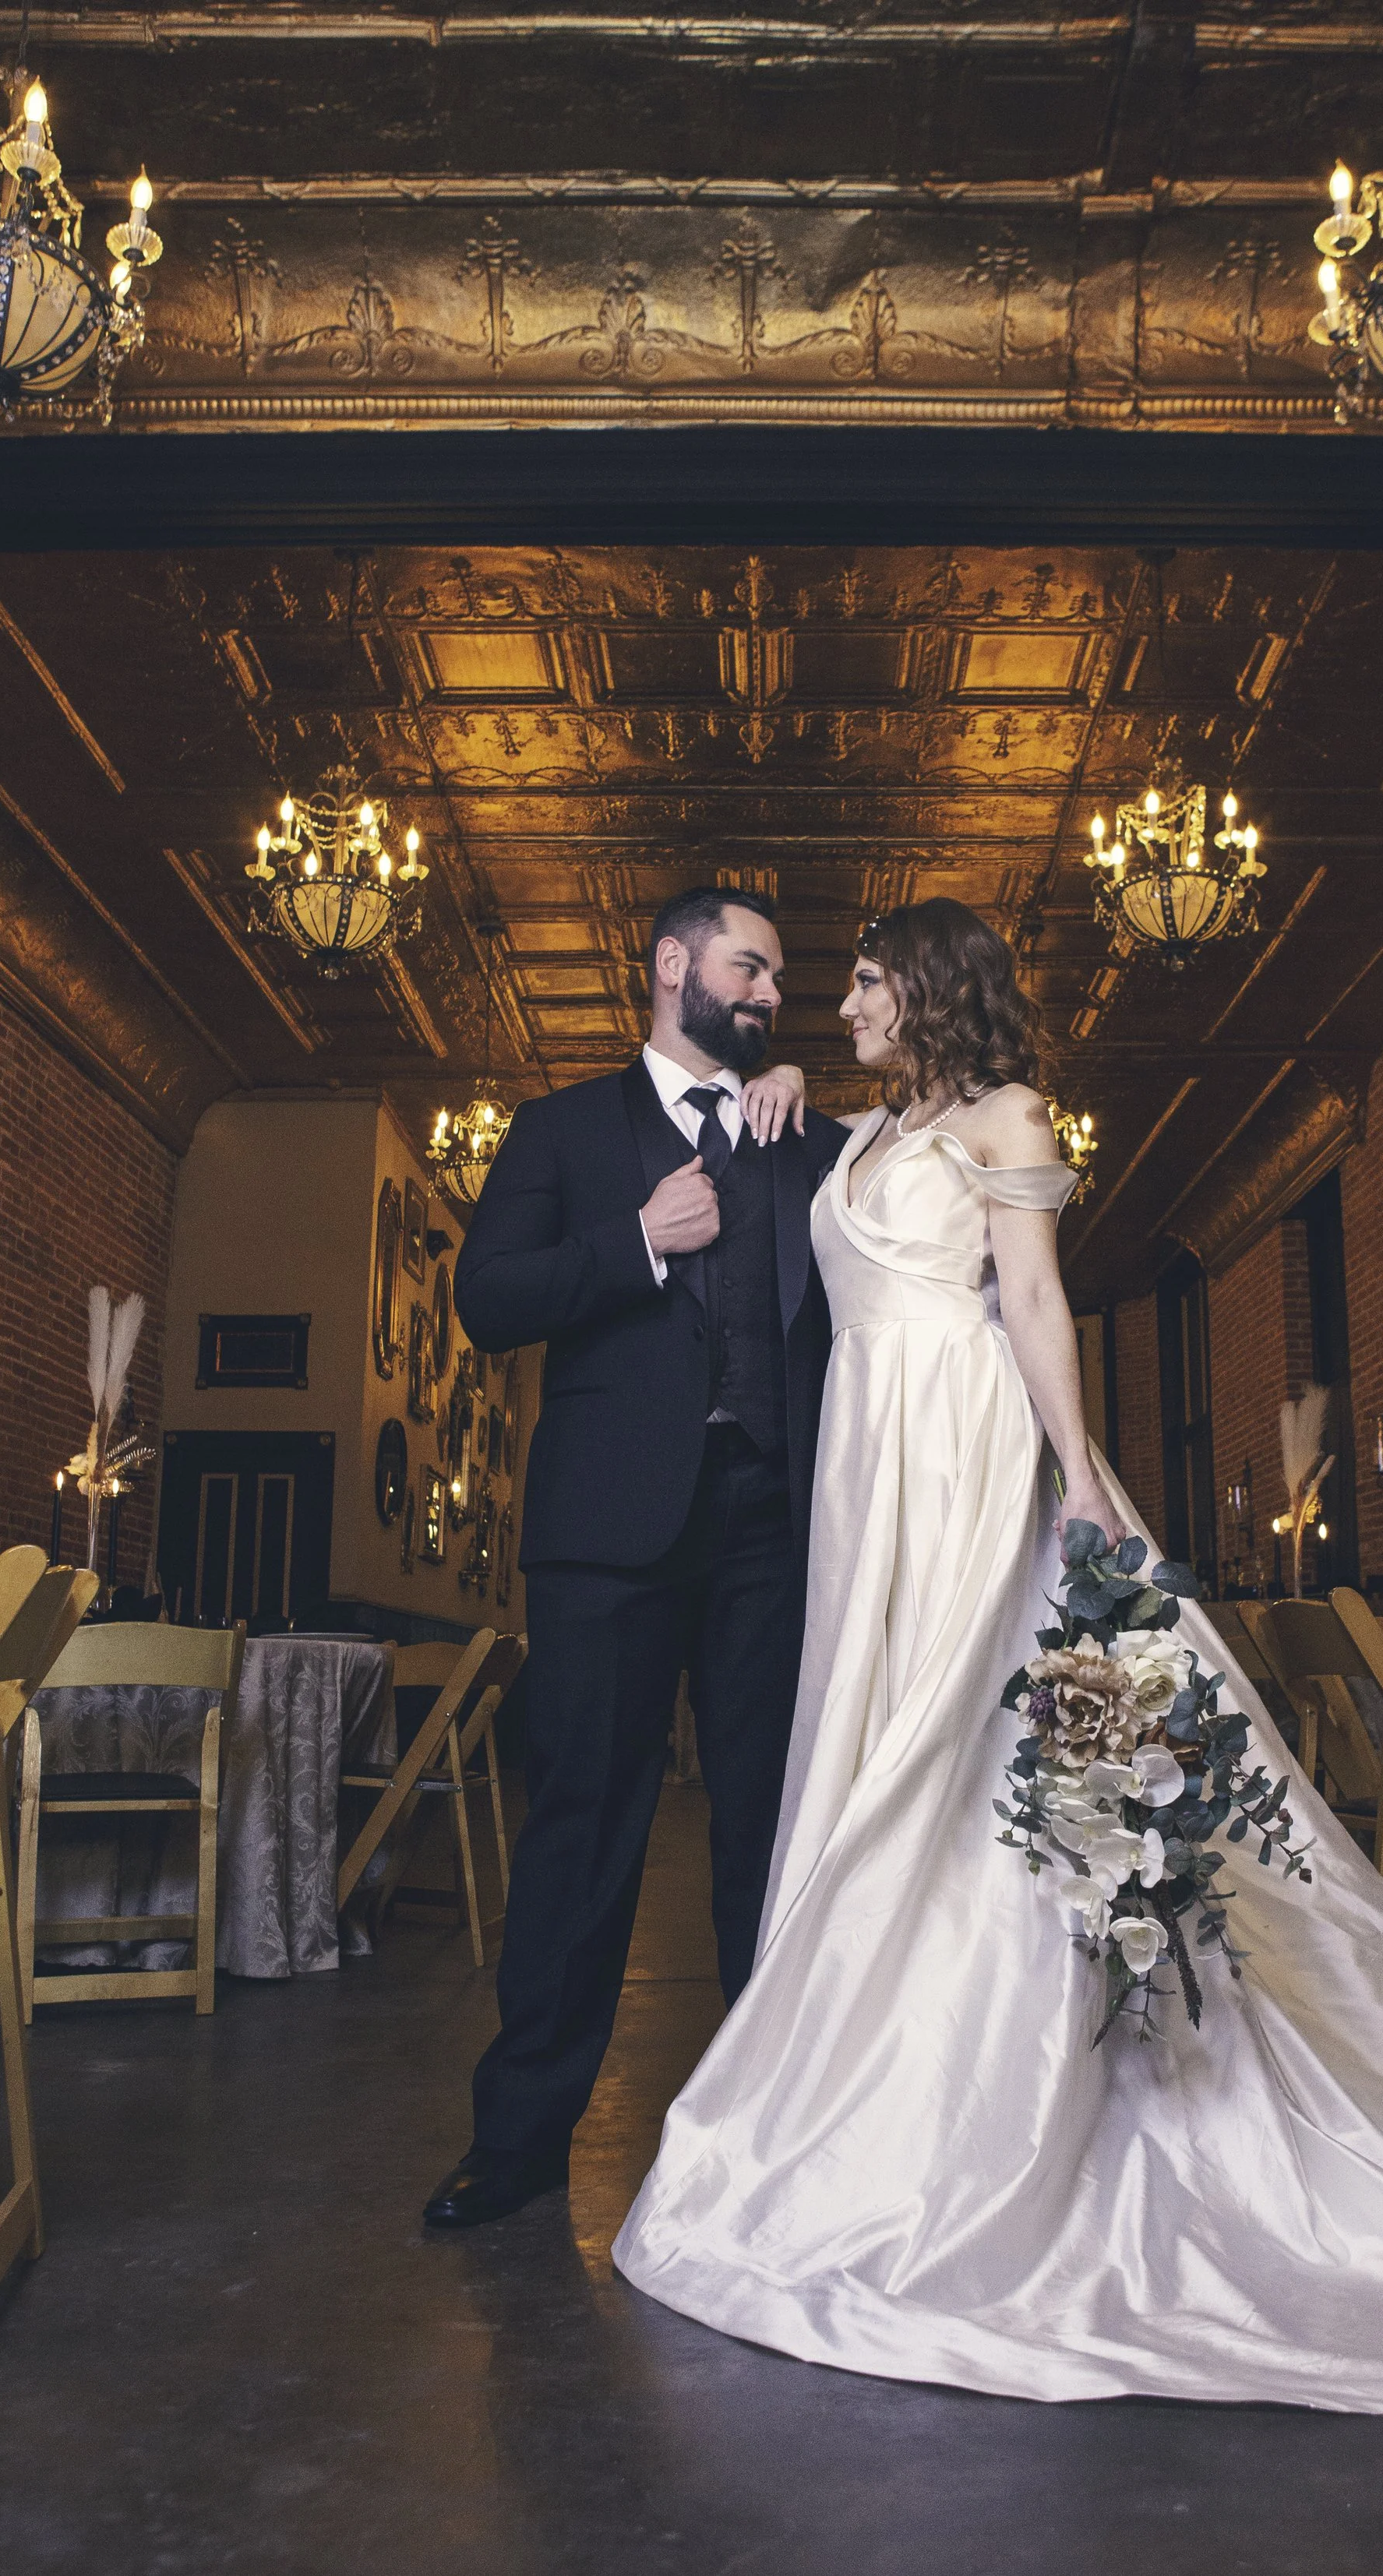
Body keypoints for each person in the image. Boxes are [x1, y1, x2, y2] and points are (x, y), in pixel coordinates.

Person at [613, 896, 1383, 2414]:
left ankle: (998, 2109)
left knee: (980, 1756)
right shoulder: (859, 1126)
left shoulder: (1007, 1115)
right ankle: (884, 2093)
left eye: (854, 984)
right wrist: (799, 1098)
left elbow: (1032, 1304)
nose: (827, 1006)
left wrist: (1086, 1486)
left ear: (924, 988)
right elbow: (843, 1163)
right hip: (866, 1478)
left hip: (967, 1456)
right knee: (888, 1758)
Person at [425, 885, 849, 2230]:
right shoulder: (561, 1131)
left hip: (771, 1532)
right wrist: (635, 1245)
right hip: (607, 1536)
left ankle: (766, 2128)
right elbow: (485, 1298)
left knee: (765, 1837)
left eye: (781, 976)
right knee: (584, 1828)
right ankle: (522, 2139)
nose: (775, 993)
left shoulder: (800, 1136)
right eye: (753, 966)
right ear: (673, 965)